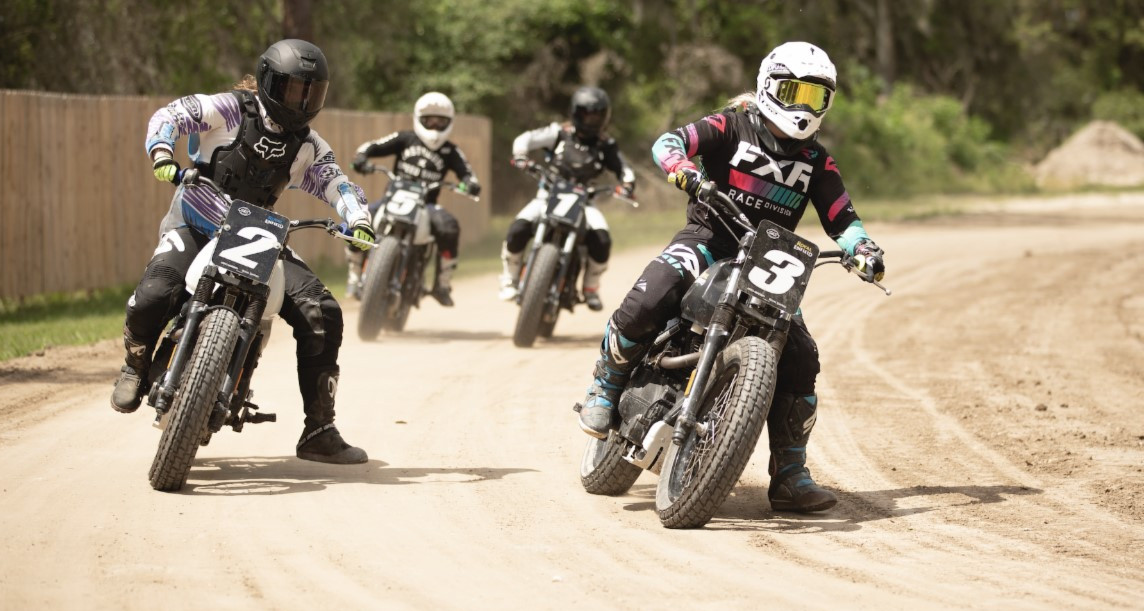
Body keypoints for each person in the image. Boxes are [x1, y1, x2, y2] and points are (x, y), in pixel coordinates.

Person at [576, 42, 886, 513]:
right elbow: (669, 143)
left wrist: (861, 249)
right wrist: (684, 171)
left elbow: (842, 218)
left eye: (814, 97)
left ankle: (790, 475)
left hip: (771, 261)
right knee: (652, 294)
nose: (803, 106)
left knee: (802, 356)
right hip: (709, 237)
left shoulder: (818, 161)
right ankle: (607, 383)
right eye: (792, 91)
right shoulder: (732, 124)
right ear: (767, 85)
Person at [110, 39, 376, 465]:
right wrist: (162, 149)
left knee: (322, 311)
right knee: (155, 294)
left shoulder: (308, 144)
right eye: (293, 90)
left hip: (256, 235)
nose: (302, 101)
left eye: (311, 92)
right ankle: (136, 365)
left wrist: (358, 219)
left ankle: (319, 430)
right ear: (269, 82)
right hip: (195, 222)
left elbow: (337, 182)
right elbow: (172, 115)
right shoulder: (231, 108)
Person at [498, 86, 636, 311]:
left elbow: (624, 169)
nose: (592, 120)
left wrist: (628, 184)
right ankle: (510, 279)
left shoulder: (606, 145)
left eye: (597, 115)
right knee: (517, 228)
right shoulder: (558, 133)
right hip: (547, 196)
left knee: (602, 239)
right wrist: (521, 155)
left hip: (585, 203)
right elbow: (525, 139)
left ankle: (591, 287)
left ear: (604, 117)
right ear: (576, 113)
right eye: (587, 114)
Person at [347, 92, 481, 307]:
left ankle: (442, 284)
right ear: (419, 118)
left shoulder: (451, 150)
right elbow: (372, 146)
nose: (435, 125)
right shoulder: (405, 138)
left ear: (450, 121)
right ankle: (354, 274)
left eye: (441, 120)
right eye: (430, 119)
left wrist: (470, 184)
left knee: (449, 227)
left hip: (426, 205)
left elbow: (468, 174)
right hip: (393, 199)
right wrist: (362, 158)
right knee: (357, 219)